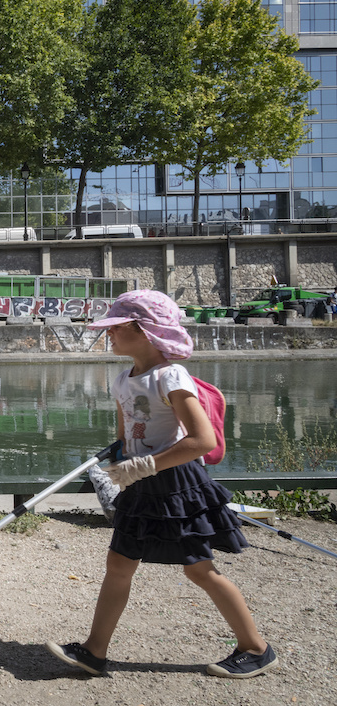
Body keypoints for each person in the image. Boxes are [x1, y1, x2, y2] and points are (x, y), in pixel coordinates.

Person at [47, 289, 277, 679]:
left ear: (145, 331)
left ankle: (256, 648)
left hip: (175, 483)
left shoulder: (170, 375)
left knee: (199, 569)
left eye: (117, 328)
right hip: (141, 483)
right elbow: (125, 437)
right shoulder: (123, 378)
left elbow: (203, 441)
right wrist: (122, 462)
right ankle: (94, 651)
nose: (109, 336)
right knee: (119, 563)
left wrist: (145, 464)